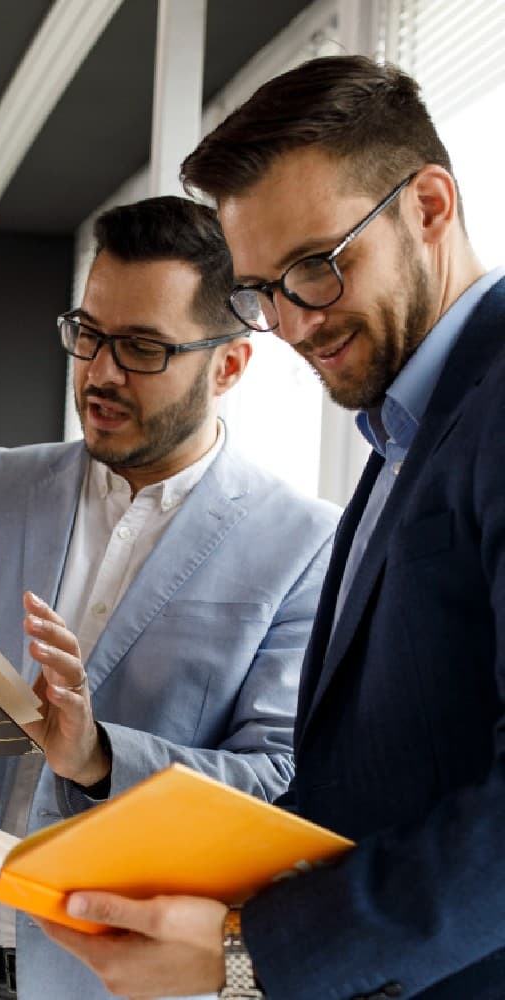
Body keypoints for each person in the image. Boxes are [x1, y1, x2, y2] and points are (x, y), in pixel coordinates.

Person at [37, 55, 505, 1000]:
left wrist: (252, 957)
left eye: (319, 268)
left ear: (430, 206)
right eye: (262, 290)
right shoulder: (401, 435)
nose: (291, 323)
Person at [0, 196, 340, 998]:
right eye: (87, 334)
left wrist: (97, 757)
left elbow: (279, 782)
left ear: (228, 366)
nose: (101, 372)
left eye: (142, 347)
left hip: (106, 977)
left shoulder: (305, 544)